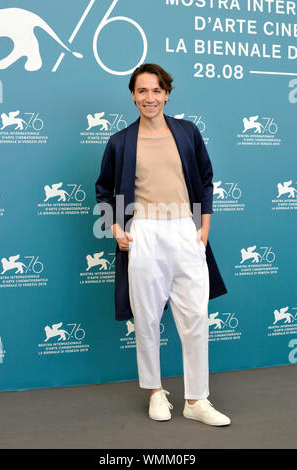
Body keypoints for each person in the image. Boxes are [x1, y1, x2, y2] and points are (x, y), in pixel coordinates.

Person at [95, 63, 230, 426]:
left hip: (185, 230)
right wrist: (115, 229)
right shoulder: (121, 141)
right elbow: (104, 191)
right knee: (148, 318)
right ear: (133, 96)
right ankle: (155, 391)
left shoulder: (186, 132)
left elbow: (205, 180)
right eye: (142, 91)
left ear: (167, 94)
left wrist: (204, 228)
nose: (149, 98)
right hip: (144, 232)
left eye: (156, 91)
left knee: (196, 317)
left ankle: (196, 399)